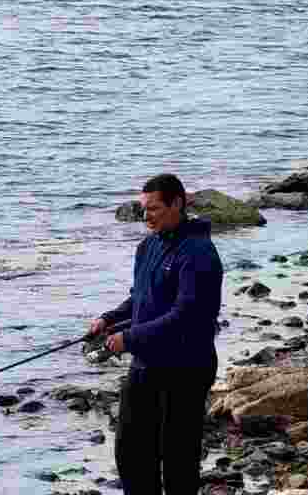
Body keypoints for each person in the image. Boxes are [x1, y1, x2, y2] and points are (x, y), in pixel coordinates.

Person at [89, 173, 223, 495]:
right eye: (143, 209)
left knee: (178, 461)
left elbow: (185, 317)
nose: (146, 216)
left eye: (153, 208)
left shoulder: (199, 253)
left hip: (186, 367)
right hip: (147, 364)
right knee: (131, 454)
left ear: (178, 203)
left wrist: (129, 338)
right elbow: (140, 298)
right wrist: (110, 320)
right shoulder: (147, 246)